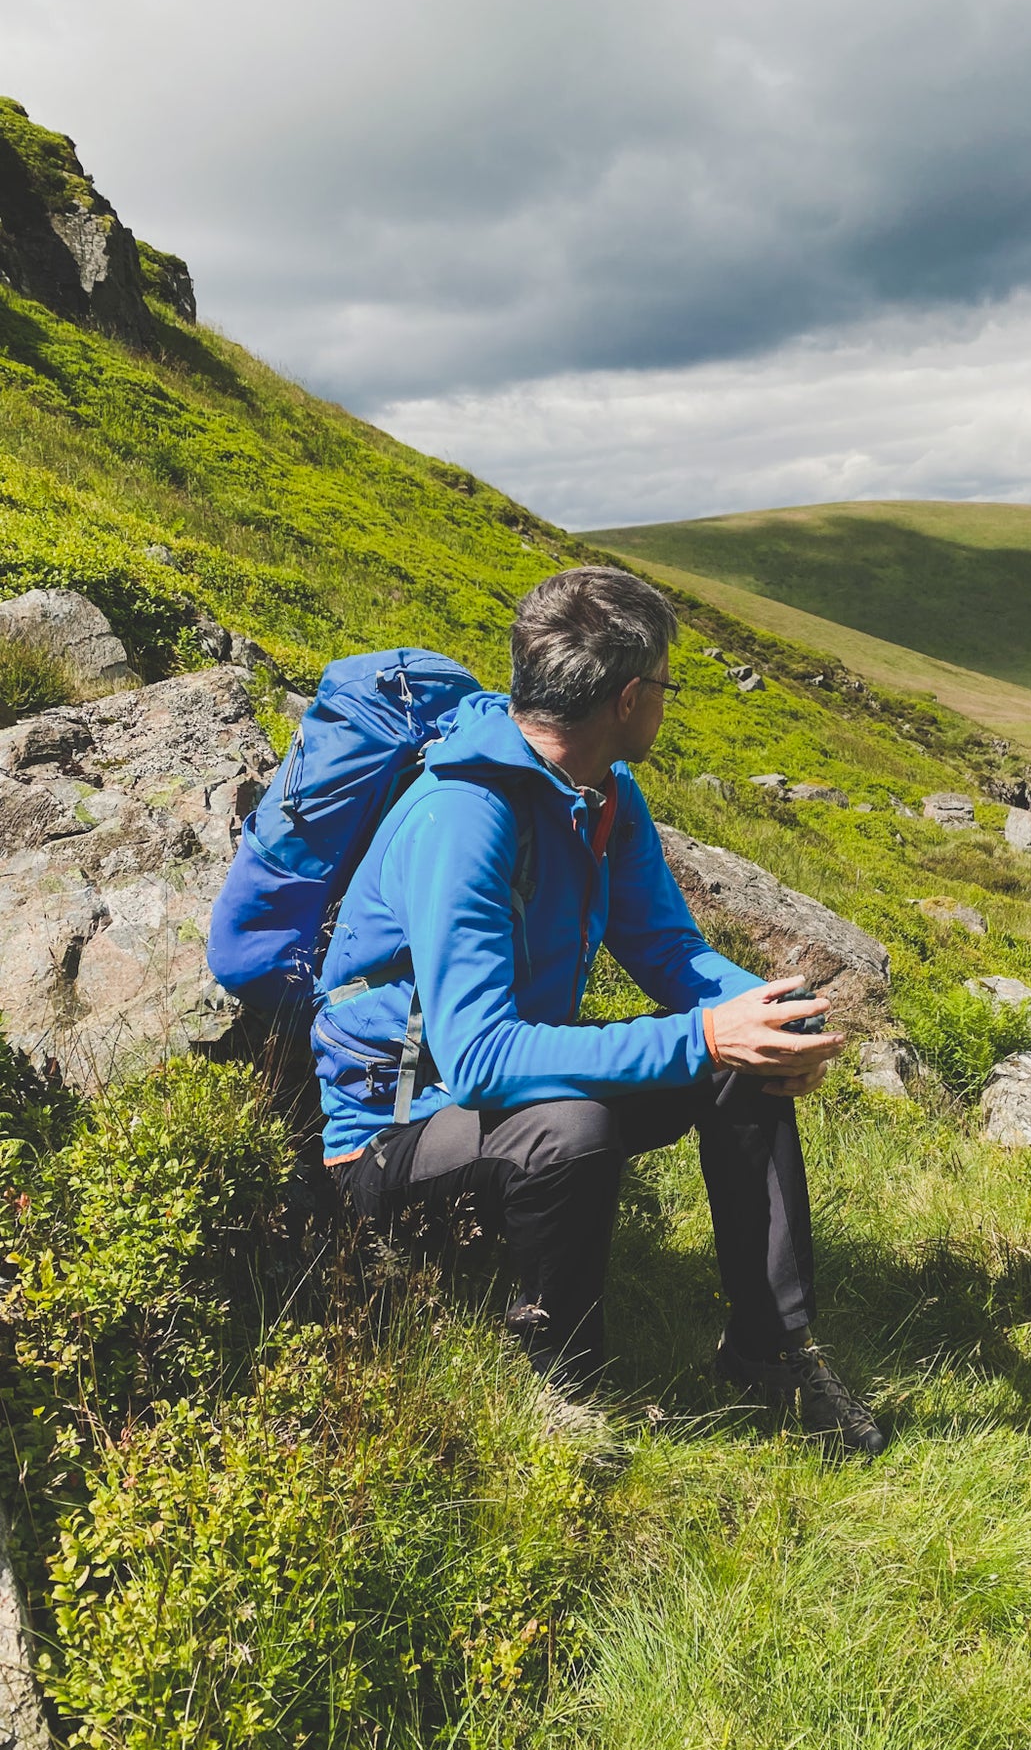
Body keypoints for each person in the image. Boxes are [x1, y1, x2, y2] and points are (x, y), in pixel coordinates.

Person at [314, 566, 884, 1455]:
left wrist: (770, 1014)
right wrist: (700, 1035)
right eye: (664, 685)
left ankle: (773, 1354)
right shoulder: (464, 818)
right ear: (629, 696)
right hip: (390, 1139)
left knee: (745, 1059)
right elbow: (481, 1060)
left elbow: (666, 950)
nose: (665, 702)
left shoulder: (603, 791)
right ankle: (558, 1386)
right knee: (570, 1129)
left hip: (494, 1096)